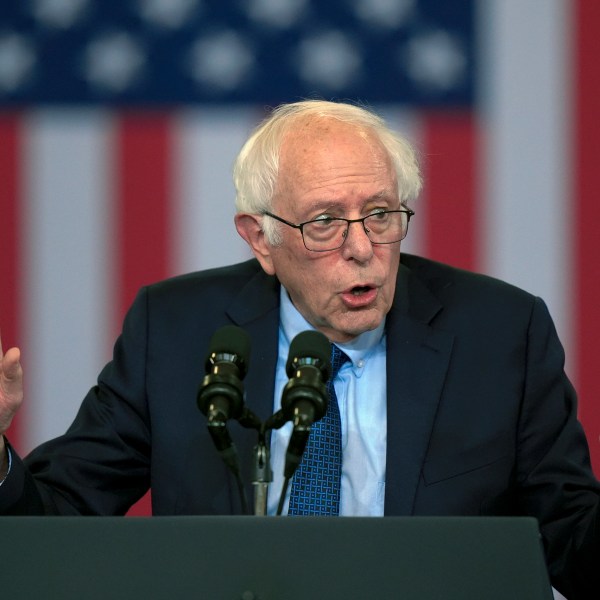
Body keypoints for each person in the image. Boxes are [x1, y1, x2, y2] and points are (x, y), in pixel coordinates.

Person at [0, 100, 598, 598]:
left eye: (381, 214)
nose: (363, 248)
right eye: (325, 223)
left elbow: (571, 539)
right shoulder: (176, 332)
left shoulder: (499, 333)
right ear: (261, 237)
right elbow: (57, 524)